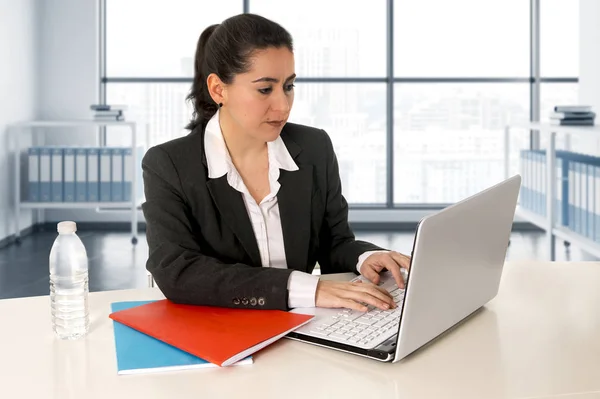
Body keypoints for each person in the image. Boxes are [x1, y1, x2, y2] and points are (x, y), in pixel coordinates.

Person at [141, 13, 411, 313]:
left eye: (289, 86)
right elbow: (178, 272)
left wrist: (365, 257)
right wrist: (310, 289)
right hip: (225, 334)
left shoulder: (313, 148)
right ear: (219, 89)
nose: (283, 105)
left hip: (305, 327)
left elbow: (333, 243)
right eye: (265, 89)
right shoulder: (169, 165)